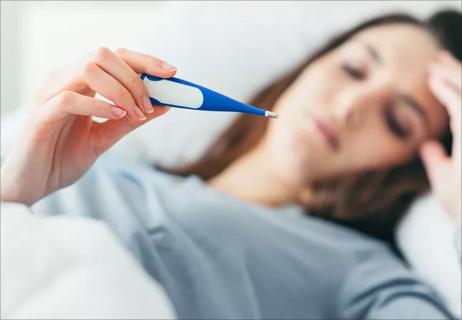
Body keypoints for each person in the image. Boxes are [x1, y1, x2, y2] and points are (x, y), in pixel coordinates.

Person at [1, 10, 461, 319]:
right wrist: (13, 192)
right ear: (309, 65)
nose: (349, 106)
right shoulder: (89, 166)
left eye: (397, 120)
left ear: (412, 166)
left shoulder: (363, 271)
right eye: (355, 69)